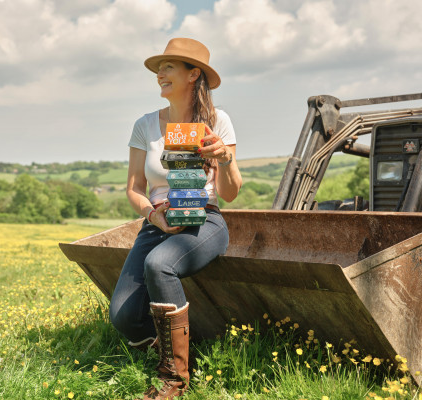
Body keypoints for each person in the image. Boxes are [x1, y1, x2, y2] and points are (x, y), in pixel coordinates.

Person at [109, 38, 242, 400]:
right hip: (157, 223)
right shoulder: (145, 125)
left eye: (168, 66)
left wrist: (225, 158)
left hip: (205, 221)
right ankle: (176, 347)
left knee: (160, 264)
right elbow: (134, 188)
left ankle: (174, 379)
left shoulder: (218, 121)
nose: (159, 73)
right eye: (158, 67)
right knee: (122, 317)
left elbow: (231, 193)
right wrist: (153, 214)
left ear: (193, 73)